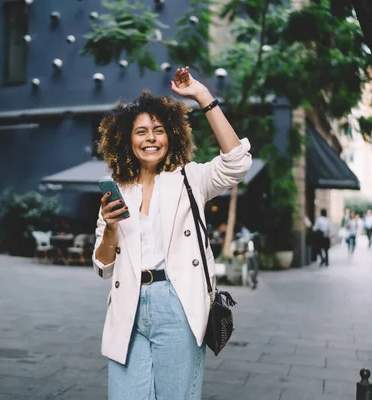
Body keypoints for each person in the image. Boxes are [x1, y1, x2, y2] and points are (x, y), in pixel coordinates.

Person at [92, 67, 252, 399]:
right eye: (141, 131)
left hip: (177, 302)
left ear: (171, 136)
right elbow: (102, 266)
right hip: (129, 307)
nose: (150, 138)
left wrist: (202, 96)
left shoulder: (190, 179)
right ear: (127, 139)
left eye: (158, 130)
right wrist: (109, 228)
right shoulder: (118, 191)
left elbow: (237, 162)